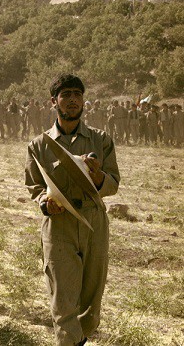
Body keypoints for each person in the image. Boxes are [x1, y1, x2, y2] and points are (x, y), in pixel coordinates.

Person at [25, 74, 120, 346]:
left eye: (77, 94)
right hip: (59, 225)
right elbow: (34, 186)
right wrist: (46, 202)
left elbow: (113, 183)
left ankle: (79, 339)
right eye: (66, 94)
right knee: (63, 300)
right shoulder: (39, 145)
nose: (73, 100)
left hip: (94, 223)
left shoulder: (100, 140)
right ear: (54, 101)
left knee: (91, 304)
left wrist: (98, 174)